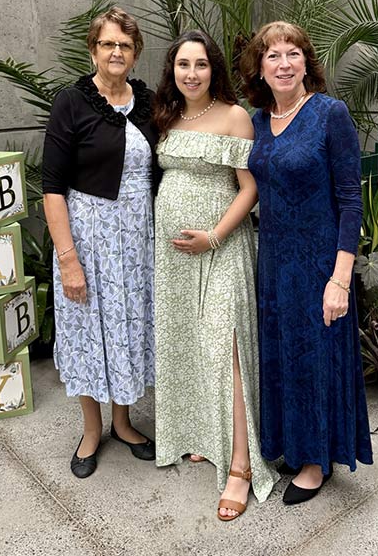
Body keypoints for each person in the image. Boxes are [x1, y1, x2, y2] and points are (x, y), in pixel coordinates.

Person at [240, 21, 373, 505]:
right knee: (282, 359)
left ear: (306, 62)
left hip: (319, 263)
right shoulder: (254, 122)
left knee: (314, 361)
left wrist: (340, 279)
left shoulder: (328, 114)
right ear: (260, 66)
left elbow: (350, 202)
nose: (283, 64)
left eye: (292, 53)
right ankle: (292, 448)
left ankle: (316, 462)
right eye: (272, 55)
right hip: (273, 262)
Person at [153, 30, 278, 521]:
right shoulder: (167, 115)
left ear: (214, 69)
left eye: (200, 64)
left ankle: (242, 467)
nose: (191, 74)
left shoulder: (234, 116)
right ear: (173, 71)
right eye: (183, 65)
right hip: (175, 258)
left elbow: (249, 189)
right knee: (190, 344)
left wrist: (214, 236)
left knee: (228, 349)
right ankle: (205, 434)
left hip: (222, 246)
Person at [42, 7, 160, 478]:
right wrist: (69, 260)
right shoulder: (72, 102)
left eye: (126, 46)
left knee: (126, 328)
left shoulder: (147, 103)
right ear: (93, 49)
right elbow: (52, 187)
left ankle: (123, 422)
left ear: (135, 55)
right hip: (88, 238)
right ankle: (92, 430)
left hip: (135, 241)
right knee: (89, 333)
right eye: (109, 44)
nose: (117, 52)